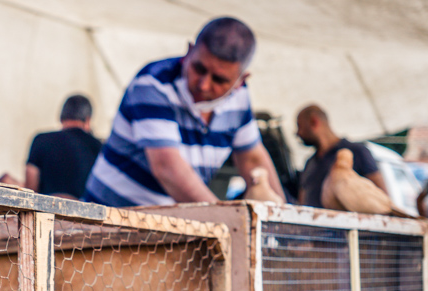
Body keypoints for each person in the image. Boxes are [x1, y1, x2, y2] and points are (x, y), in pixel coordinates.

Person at [84, 17, 282, 207]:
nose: (204, 85)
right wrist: (227, 221)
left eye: (219, 80)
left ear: (241, 81)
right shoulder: (154, 84)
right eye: (199, 68)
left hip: (164, 227)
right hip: (107, 220)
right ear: (189, 51)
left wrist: (285, 219)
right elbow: (168, 168)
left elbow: (253, 160)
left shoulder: (239, 98)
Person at [295, 104, 387, 208]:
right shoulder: (309, 163)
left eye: (300, 126)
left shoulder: (357, 151)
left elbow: (382, 199)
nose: (298, 133)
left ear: (314, 121)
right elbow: (301, 204)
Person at [23, 94, 102, 199]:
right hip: (84, 213)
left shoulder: (41, 140)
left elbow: (30, 187)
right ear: (87, 121)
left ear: (61, 118)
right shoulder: (99, 147)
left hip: (46, 212)